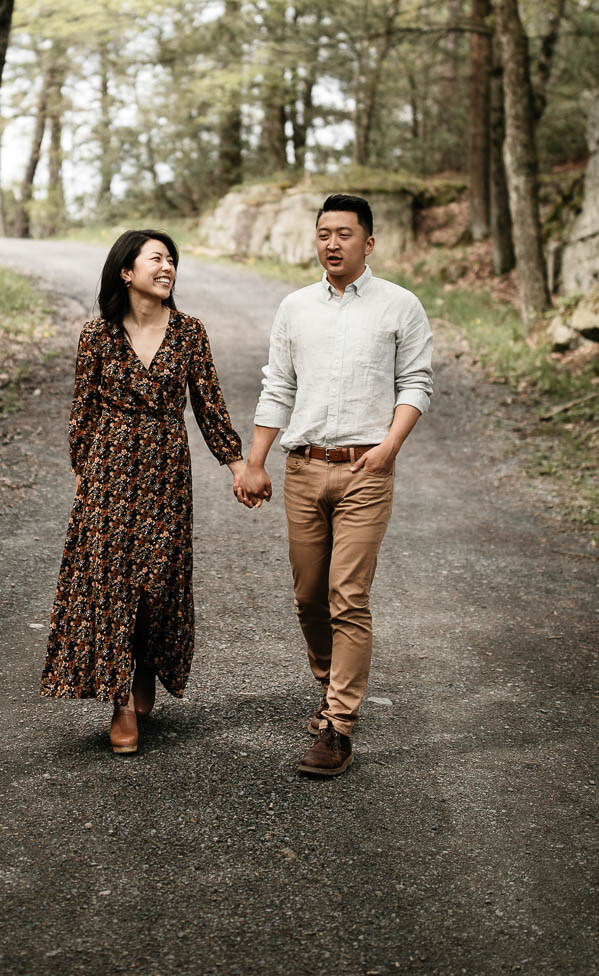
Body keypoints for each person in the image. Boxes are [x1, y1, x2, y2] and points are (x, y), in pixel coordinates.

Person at [236, 193, 433, 777]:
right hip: (304, 468)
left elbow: (416, 382)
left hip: (365, 470)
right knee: (308, 596)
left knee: (349, 596)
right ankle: (330, 687)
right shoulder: (295, 308)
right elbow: (278, 387)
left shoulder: (401, 306)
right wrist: (255, 462)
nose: (332, 243)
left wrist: (389, 447)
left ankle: (339, 726)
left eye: (345, 234)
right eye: (324, 233)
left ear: (368, 242)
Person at [41, 229, 249, 755]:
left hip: (165, 470)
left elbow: (210, 407)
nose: (168, 267)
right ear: (126, 272)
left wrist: (238, 465)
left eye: (172, 260)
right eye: (156, 258)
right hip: (108, 473)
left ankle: (147, 665)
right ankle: (121, 703)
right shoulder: (97, 334)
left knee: (159, 582)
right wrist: (85, 479)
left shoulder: (190, 333)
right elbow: (81, 415)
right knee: (110, 585)